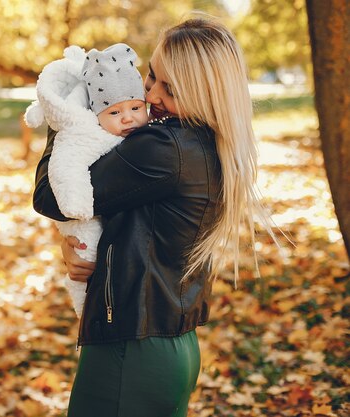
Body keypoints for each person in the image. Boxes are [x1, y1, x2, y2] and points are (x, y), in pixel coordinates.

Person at [32, 17, 277, 417]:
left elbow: (52, 196)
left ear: (205, 94)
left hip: (134, 349)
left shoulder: (163, 148)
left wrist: (67, 118)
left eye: (171, 88)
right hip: (169, 343)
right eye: (151, 77)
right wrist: (77, 245)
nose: (152, 95)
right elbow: (126, 218)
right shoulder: (204, 144)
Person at [25, 43, 148, 316]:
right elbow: (54, 190)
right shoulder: (91, 134)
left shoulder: (158, 146)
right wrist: (66, 120)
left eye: (136, 108)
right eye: (115, 113)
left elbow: (45, 198)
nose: (128, 118)